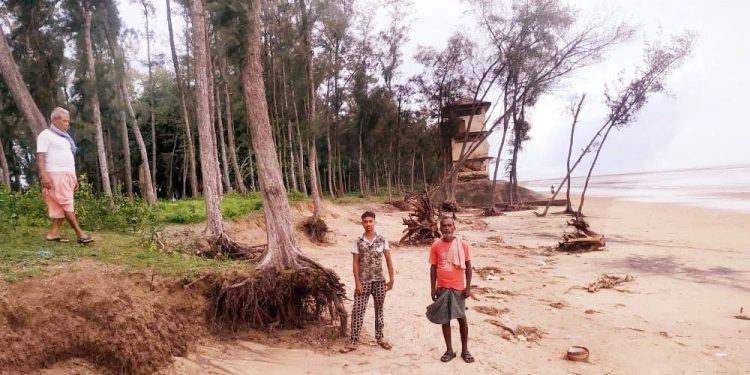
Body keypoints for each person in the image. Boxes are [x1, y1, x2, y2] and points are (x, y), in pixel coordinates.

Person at [37, 107, 93, 244]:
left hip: (68, 174)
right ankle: (80, 234)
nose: (67, 124)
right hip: (55, 174)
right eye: (65, 121)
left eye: (68, 121)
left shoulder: (64, 137)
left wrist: (74, 178)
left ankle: (53, 233)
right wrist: (44, 176)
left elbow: (67, 158)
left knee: (60, 205)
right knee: (67, 204)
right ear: (55, 120)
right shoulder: (45, 135)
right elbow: (40, 157)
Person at [340, 211, 394, 353]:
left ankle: (380, 337)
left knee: (379, 309)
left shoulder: (382, 240)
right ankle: (354, 340)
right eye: (365, 221)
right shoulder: (358, 242)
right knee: (358, 309)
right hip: (363, 282)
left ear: (375, 222)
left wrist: (392, 279)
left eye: (371, 221)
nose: (368, 224)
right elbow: (355, 264)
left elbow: (388, 259)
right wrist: (357, 282)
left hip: (379, 282)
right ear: (362, 223)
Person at [427, 216, 474, 363]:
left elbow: (468, 266)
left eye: (449, 225)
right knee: (444, 319)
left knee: (462, 319)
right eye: (444, 226)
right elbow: (433, 268)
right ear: (440, 228)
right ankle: (449, 350)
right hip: (442, 287)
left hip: (458, 288)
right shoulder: (436, 245)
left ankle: (465, 350)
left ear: (454, 227)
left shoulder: (463, 244)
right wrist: (433, 288)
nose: (447, 228)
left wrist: (468, 287)